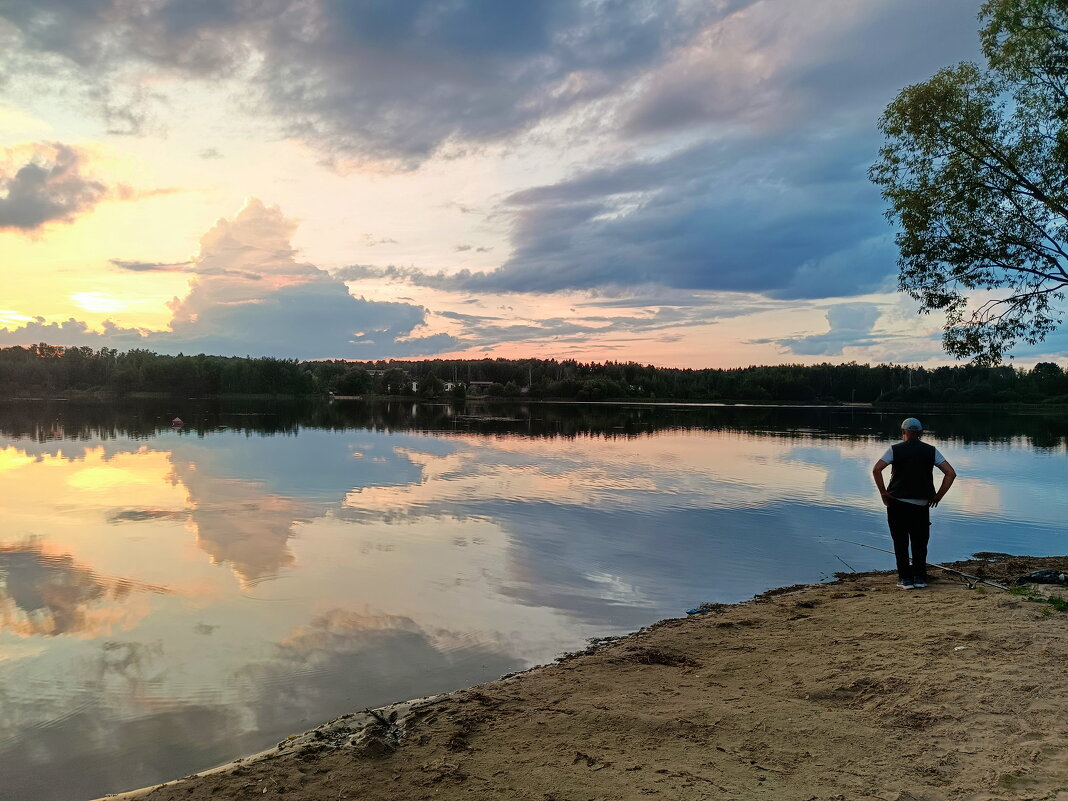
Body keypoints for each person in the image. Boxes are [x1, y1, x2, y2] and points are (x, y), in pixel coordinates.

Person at [871, 417, 956, 590]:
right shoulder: (931, 451)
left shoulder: (895, 450)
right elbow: (950, 474)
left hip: (897, 504)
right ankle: (920, 578)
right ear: (921, 433)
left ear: (903, 432)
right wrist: (938, 496)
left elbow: (876, 469)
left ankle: (905, 579)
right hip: (921, 505)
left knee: (900, 542)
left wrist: (883, 492)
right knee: (920, 543)